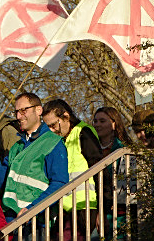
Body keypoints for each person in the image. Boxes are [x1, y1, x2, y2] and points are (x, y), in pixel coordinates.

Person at [0, 92, 68, 238]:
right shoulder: (17, 146)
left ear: (38, 110)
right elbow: (5, 183)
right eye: (16, 112)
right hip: (13, 222)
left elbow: (60, 183)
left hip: (37, 224)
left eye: (23, 110)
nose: (19, 116)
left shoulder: (53, 142)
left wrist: (32, 209)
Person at [42, 99, 102, 240]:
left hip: (86, 206)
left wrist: (102, 207)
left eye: (53, 125)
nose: (51, 130)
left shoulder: (83, 132)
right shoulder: (60, 140)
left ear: (66, 116)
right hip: (66, 207)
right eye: (47, 127)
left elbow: (100, 169)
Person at [93, 107, 134, 240]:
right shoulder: (90, 148)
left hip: (118, 211)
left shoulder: (124, 149)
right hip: (94, 207)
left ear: (114, 124)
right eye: (95, 121)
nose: (97, 124)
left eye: (102, 121)